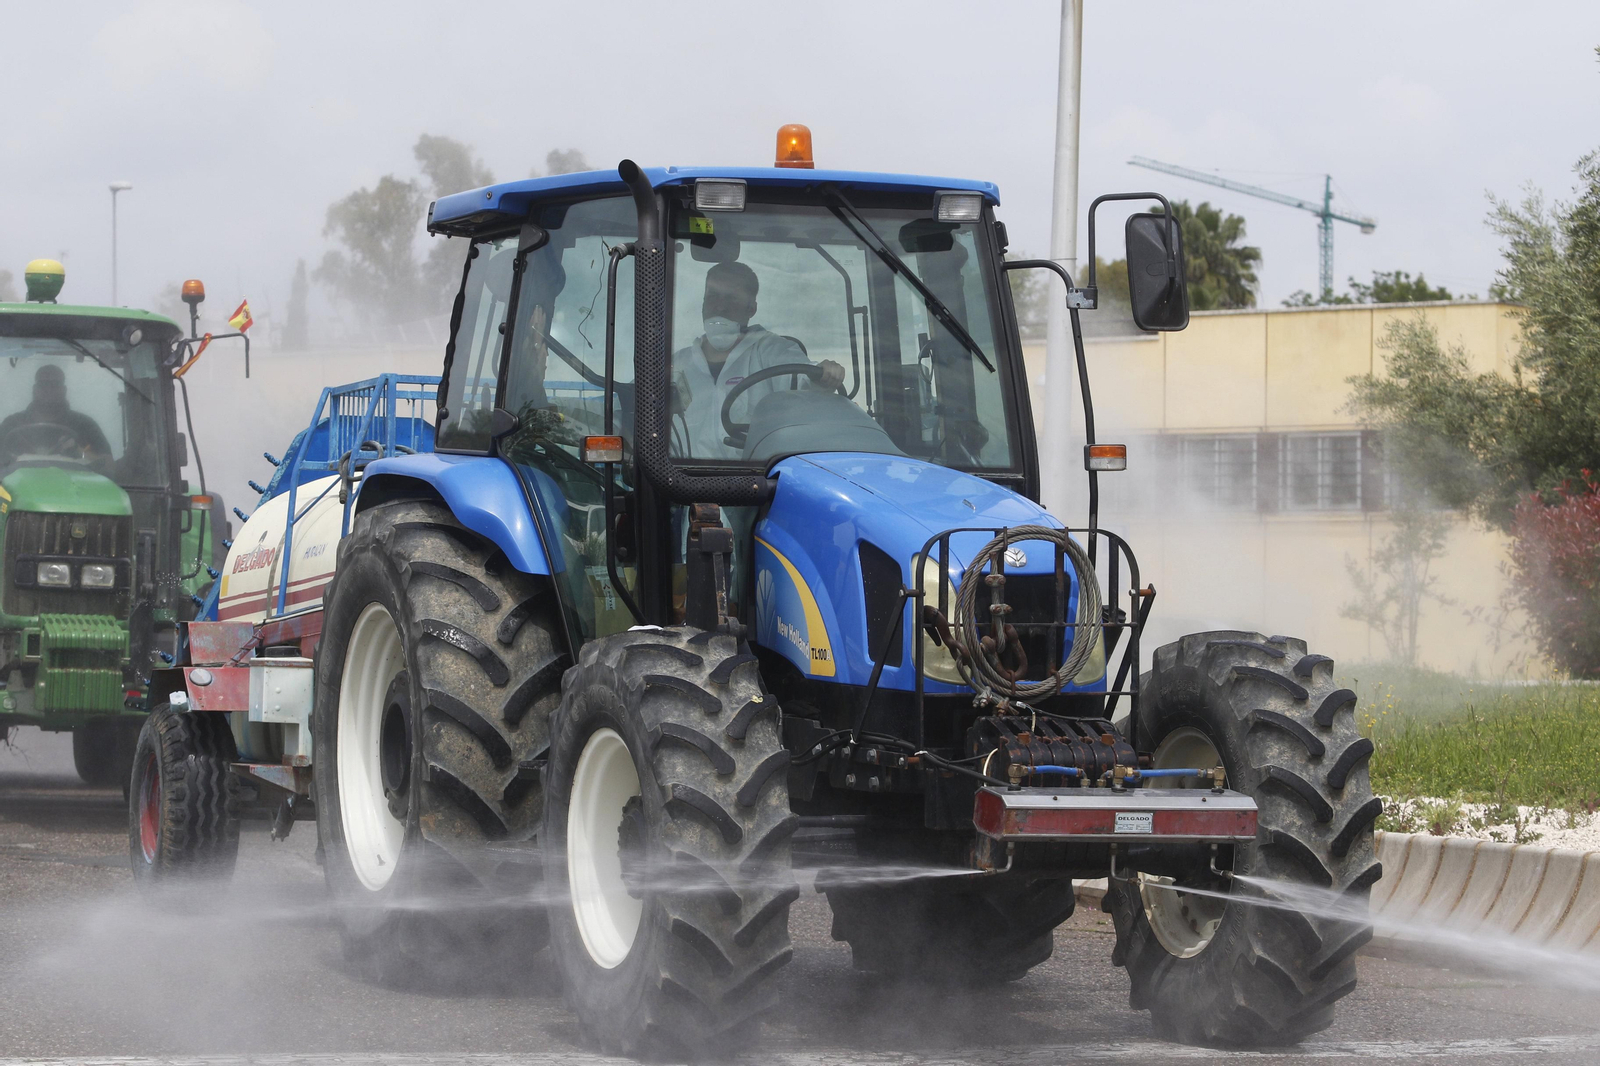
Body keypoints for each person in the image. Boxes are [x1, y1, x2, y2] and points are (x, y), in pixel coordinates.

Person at [671, 261, 844, 460]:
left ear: (751, 308)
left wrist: (822, 375)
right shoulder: (677, 364)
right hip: (678, 481)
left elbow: (803, 383)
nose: (720, 306)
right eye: (712, 296)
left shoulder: (772, 351)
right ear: (702, 304)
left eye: (731, 298)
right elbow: (634, 404)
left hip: (755, 480)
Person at [0, 363, 112, 464]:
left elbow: (108, 464)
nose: (49, 389)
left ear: (64, 389)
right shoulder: (11, 425)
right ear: (34, 389)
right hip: (15, 487)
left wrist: (78, 451)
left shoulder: (85, 425)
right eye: (43, 384)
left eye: (55, 384)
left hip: (75, 486)